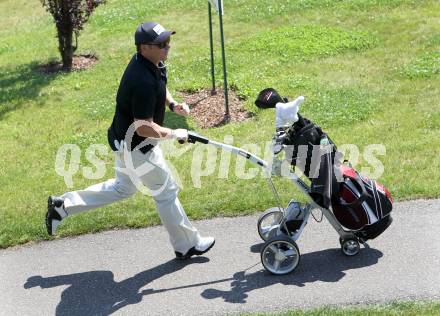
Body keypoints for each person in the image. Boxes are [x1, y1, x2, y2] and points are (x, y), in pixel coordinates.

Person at [46, 22, 215, 260]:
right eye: (162, 44)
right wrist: (174, 133)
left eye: (168, 41)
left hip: (126, 142)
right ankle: (187, 244)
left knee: (123, 188)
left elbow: (161, 86)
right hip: (136, 148)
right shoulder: (141, 81)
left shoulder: (150, 63)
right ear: (144, 47)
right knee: (166, 192)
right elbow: (144, 128)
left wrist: (173, 104)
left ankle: (62, 206)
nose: (168, 47)